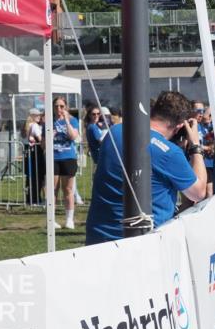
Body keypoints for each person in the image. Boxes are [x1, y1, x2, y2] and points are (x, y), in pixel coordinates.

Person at [86, 90, 207, 244]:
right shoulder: (169, 153)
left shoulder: (115, 131)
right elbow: (198, 193)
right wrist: (195, 145)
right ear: (179, 127)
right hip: (141, 241)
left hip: (98, 236)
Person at [51, 96, 81, 230]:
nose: (59, 109)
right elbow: (43, 144)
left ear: (66, 107)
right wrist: (50, 136)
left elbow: (73, 136)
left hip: (68, 157)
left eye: (61, 106)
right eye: (56, 106)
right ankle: (51, 220)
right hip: (54, 158)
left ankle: (69, 219)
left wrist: (67, 121)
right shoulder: (49, 122)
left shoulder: (73, 120)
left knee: (68, 189)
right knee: (53, 190)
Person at [22, 108, 46, 205]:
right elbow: (40, 139)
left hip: (28, 153)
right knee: (37, 177)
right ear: (32, 116)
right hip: (36, 154)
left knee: (30, 177)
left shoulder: (26, 126)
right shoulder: (35, 126)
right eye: (38, 115)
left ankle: (30, 198)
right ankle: (35, 198)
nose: (39, 117)